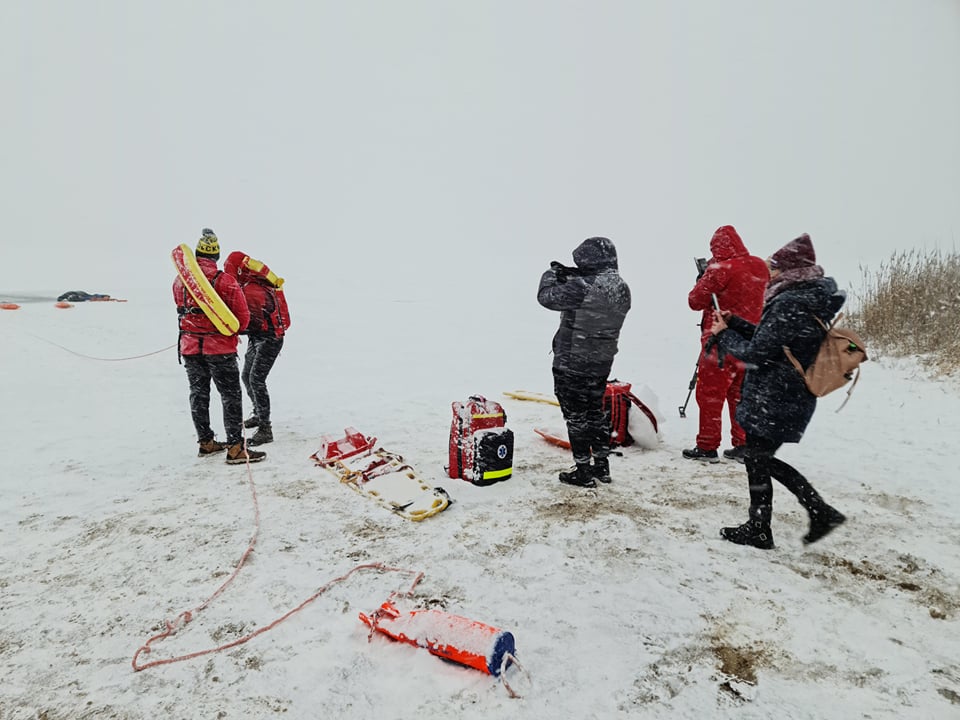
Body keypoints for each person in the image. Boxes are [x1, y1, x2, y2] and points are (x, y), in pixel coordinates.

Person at [709, 233, 846, 549]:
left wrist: (723, 336)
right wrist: (737, 324)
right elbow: (772, 340)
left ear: (789, 270)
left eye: (774, 267)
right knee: (757, 458)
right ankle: (763, 525)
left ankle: (815, 511)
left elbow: (757, 354)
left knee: (757, 457)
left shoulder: (790, 301)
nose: (769, 273)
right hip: (788, 393)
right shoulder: (807, 298)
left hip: (776, 394)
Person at [537, 237, 631, 488]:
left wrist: (552, 273)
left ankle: (583, 471)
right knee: (595, 413)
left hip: (573, 362)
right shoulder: (621, 287)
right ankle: (602, 465)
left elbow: (546, 297)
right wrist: (574, 276)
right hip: (601, 362)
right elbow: (592, 294)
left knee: (576, 417)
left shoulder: (582, 286)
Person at [173, 229, 266, 465]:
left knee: (198, 394)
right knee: (230, 396)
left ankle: (206, 441)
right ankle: (235, 447)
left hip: (190, 348)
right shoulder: (225, 281)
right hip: (220, 350)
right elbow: (242, 319)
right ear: (216, 256)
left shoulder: (180, 282)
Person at [684, 225, 768, 463]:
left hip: (720, 341)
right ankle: (742, 445)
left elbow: (695, 301)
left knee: (710, 393)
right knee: (740, 393)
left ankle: (707, 446)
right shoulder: (760, 266)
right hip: (752, 340)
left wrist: (703, 277)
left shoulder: (721, 269)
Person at [224, 251, 291, 446]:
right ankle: (258, 413)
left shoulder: (252, 290)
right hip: (259, 337)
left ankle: (265, 428)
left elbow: (252, 321)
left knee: (256, 380)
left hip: (270, 339)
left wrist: (230, 330)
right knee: (247, 377)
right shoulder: (249, 284)